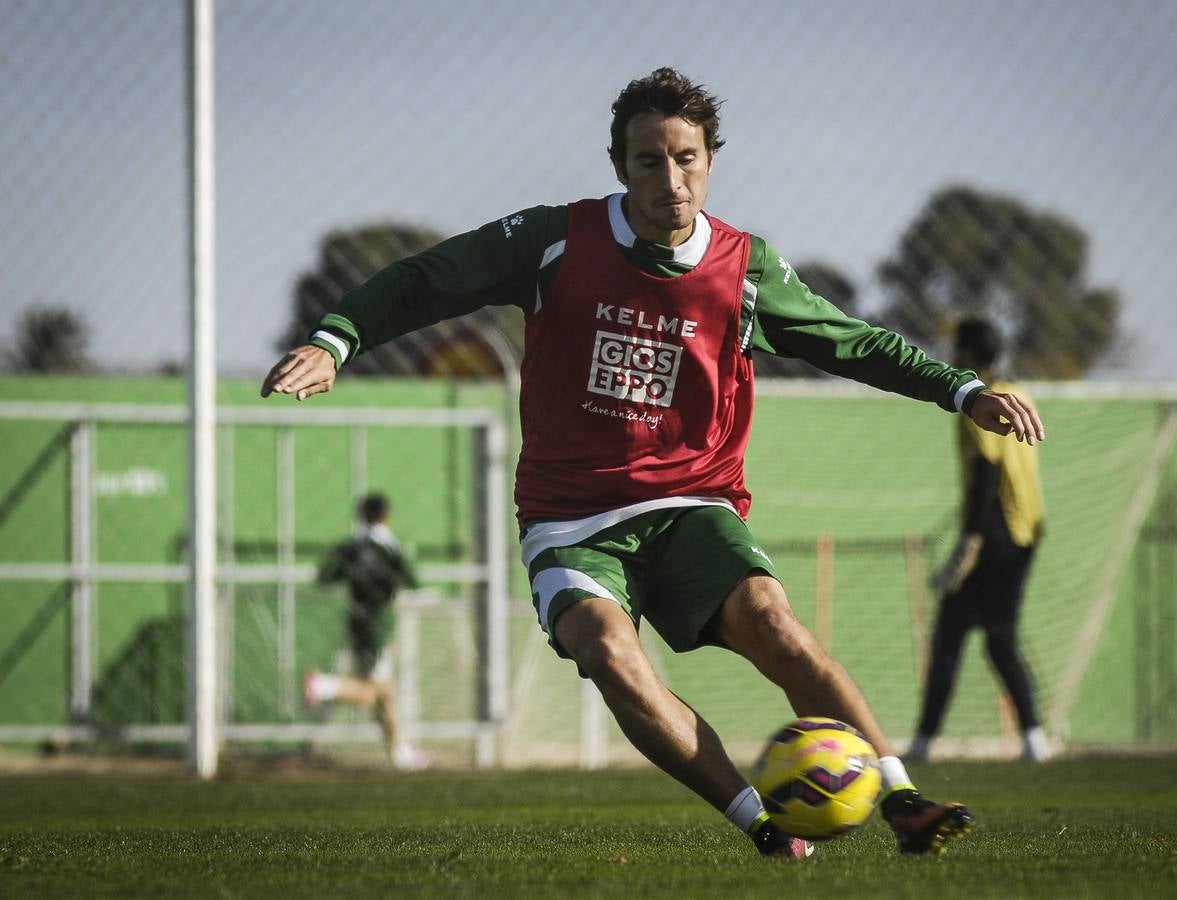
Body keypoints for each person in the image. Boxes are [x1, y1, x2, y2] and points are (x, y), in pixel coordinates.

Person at [262, 67, 1045, 858]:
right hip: (572, 519)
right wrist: (337, 341)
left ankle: (902, 799)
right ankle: (762, 824)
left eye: (687, 158)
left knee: (776, 624)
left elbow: (852, 341)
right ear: (619, 167)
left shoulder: (745, 268)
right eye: (650, 162)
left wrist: (961, 389)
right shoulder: (555, 241)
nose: (671, 179)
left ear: (710, 160)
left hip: (692, 502)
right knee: (607, 651)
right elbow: (427, 278)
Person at [907, 318, 1049, 764]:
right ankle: (1034, 740)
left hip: (994, 532)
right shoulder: (1021, 394)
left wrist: (970, 542)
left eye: (956, 347)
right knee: (999, 636)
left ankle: (924, 744)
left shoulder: (978, 402)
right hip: (1028, 531)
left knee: (950, 634)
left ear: (968, 354)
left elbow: (987, 471)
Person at [304, 492, 429, 771]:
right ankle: (324, 685)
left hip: (356, 621)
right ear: (387, 516)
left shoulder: (351, 546)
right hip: (380, 626)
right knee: (374, 691)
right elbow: (413, 580)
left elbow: (326, 576)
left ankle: (400, 753)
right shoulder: (391, 548)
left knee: (385, 692)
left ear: (359, 516)